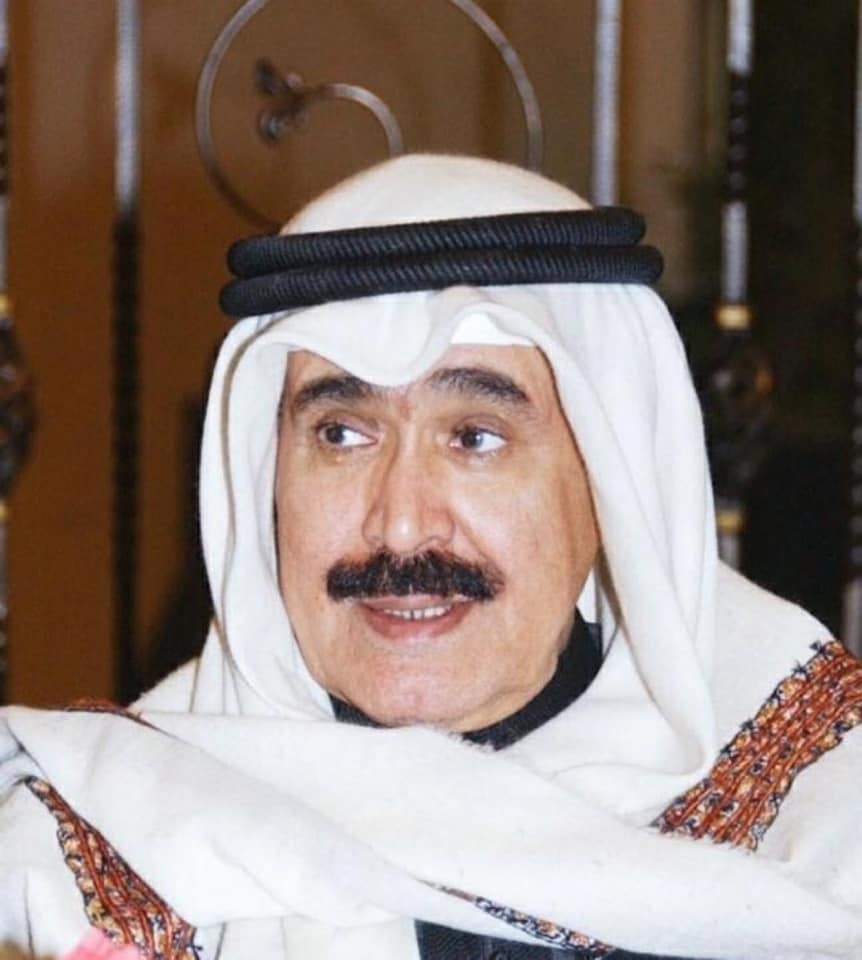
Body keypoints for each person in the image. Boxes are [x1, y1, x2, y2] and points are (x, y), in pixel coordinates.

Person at [1, 154, 861, 960]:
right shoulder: (85, 852)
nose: (403, 527)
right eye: (341, 435)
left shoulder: (814, 811)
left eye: (476, 437)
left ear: (608, 482)